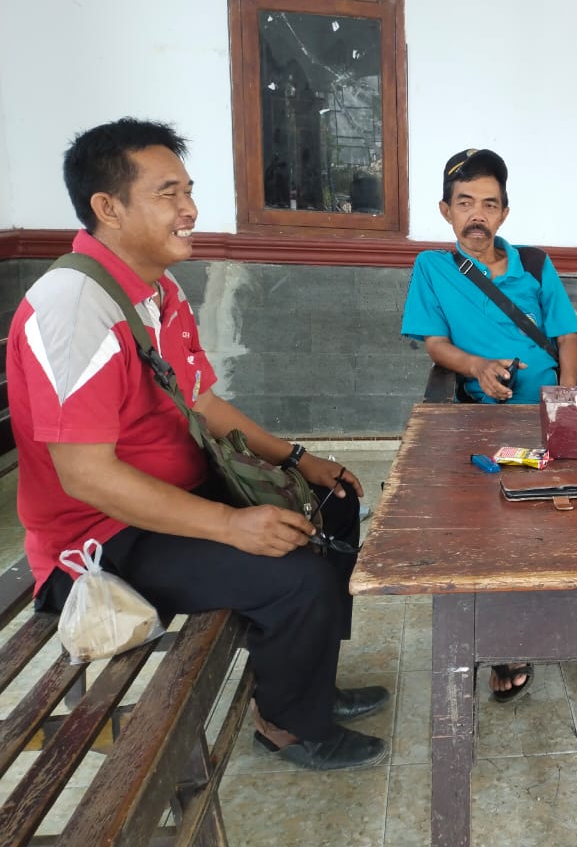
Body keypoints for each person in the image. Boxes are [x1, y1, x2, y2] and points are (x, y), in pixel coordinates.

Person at [7, 118, 389, 771]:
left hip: (174, 493)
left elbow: (203, 404)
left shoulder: (157, 289)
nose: (189, 209)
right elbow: (87, 478)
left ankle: (309, 680)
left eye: (187, 191)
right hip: (101, 540)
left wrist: (297, 459)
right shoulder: (74, 308)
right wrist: (230, 525)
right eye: (167, 194)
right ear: (107, 207)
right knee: (294, 573)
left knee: (333, 501)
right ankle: (289, 726)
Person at [401, 147, 577, 701]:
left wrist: (565, 397)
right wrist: (478, 368)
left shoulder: (534, 265)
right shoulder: (433, 269)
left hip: (551, 414)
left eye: (489, 204)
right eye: (465, 202)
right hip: (484, 418)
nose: (477, 215)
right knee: (493, 527)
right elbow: (436, 344)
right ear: (445, 210)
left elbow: (567, 336)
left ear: (504, 213)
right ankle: (509, 639)